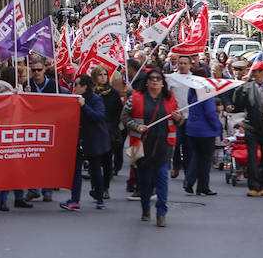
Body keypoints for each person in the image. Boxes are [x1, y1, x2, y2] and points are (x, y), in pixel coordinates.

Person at [121, 67, 183, 227]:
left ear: (163, 83)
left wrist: (179, 118)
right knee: (144, 180)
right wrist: (136, 126)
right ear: (147, 82)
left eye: (158, 79)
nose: (155, 81)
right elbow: (124, 116)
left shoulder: (170, 98)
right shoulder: (135, 97)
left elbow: (179, 119)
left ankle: (161, 212)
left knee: (162, 179)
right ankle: (145, 207)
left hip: (164, 145)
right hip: (139, 145)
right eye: (152, 78)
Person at [230, 61, 263, 196]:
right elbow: (237, 105)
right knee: (252, 157)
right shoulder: (247, 87)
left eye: (254, 71)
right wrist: (239, 88)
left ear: (262, 72)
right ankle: (253, 186)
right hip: (251, 127)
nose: (252, 73)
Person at [60, 74, 110, 211]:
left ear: (84, 87)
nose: (74, 87)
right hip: (78, 140)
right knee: (76, 171)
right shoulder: (74, 99)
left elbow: (98, 117)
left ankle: (100, 198)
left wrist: (84, 107)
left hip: (94, 141)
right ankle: (75, 200)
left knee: (95, 171)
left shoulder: (95, 99)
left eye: (77, 84)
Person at [183, 75, 223, 196]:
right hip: (205, 131)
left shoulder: (192, 93)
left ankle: (189, 181)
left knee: (197, 156)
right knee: (206, 159)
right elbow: (210, 113)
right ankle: (203, 187)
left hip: (192, 128)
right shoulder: (207, 93)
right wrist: (218, 127)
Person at [91, 64, 123, 201]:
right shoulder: (91, 92)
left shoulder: (113, 93)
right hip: (93, 130)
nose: (103, 77)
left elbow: (118, 112)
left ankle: (105, 187)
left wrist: (113, 127)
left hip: (108, 131)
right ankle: (95, 186)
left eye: (105, 75)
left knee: (107, 161)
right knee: (94, 162)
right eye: (100, 75)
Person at [167, 55, 193, 179]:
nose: (182, 65)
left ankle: (188, 172)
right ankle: (176, 165)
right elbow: (167, 96)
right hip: (175, 117)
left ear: (190, 65)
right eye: (180, 63)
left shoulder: (195, 79)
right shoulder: (172, 78)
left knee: (188, 146)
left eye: (185, 63)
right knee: (176, 144)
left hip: (190, 117)